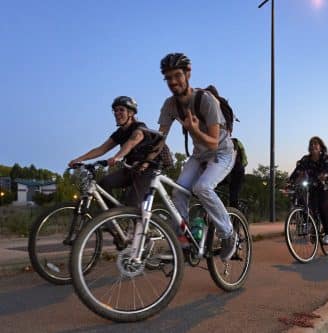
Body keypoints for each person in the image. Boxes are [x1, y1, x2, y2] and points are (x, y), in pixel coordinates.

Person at [157, 52, 237, 261]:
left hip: (222, 152)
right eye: (168, 78)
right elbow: (160, 137)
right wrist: (147, 156)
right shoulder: (170, 105)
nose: (173, 81)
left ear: (188, 74)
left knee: (202, 187)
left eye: (177, 75)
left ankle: (228, 234)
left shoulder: (206, 100)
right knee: (178, 190)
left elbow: (212, 140)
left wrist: (194, 130)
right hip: (199, 155)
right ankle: (184, 239)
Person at [68, 96, 158, 208]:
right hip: (130, 168)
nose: (117, 113)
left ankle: (136, 222)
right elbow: (101, 149)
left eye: (121, 110)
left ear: (130, 113)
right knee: (104, 183)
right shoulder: (119, 133)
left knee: (132, 205)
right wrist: (79, 159)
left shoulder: (139, 127)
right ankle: (113, 218)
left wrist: (117, 157)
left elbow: (133, 141)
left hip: (146, 169)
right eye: (115, 110)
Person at [289, 136, 328, 245]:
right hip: (312, 187)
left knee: (322, 206)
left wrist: (324, 175)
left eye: (316, 144)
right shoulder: (305, 159)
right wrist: (289, 183)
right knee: (310, 209)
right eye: (311, 144)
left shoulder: (325, 157)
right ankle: (314, 231)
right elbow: (298, 170)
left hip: (325, 187)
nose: (313, 146)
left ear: (320, 147)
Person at [223, 137, 247, 209]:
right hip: (230, 170)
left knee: (233, 194)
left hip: (236, 170)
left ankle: (235, 216)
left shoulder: (233, 143)